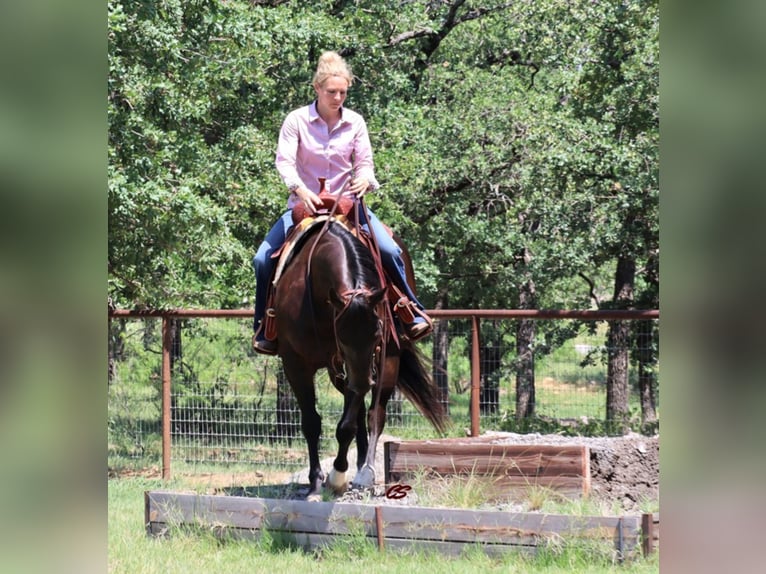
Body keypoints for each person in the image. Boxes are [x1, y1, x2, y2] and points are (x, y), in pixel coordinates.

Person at [252, 50, 431, 355]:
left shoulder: (355, 122)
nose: (338, 98)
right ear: (317, 89)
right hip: (303, 206)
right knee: (260, 259)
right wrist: (299, 188)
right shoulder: (296, 120)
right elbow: (284, 162)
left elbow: (364, 164)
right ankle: (266, 325)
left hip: (349, 205)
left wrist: (365, 180)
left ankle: (409, 310)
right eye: (332, 91)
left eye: (343, 92)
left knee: (390, 248)